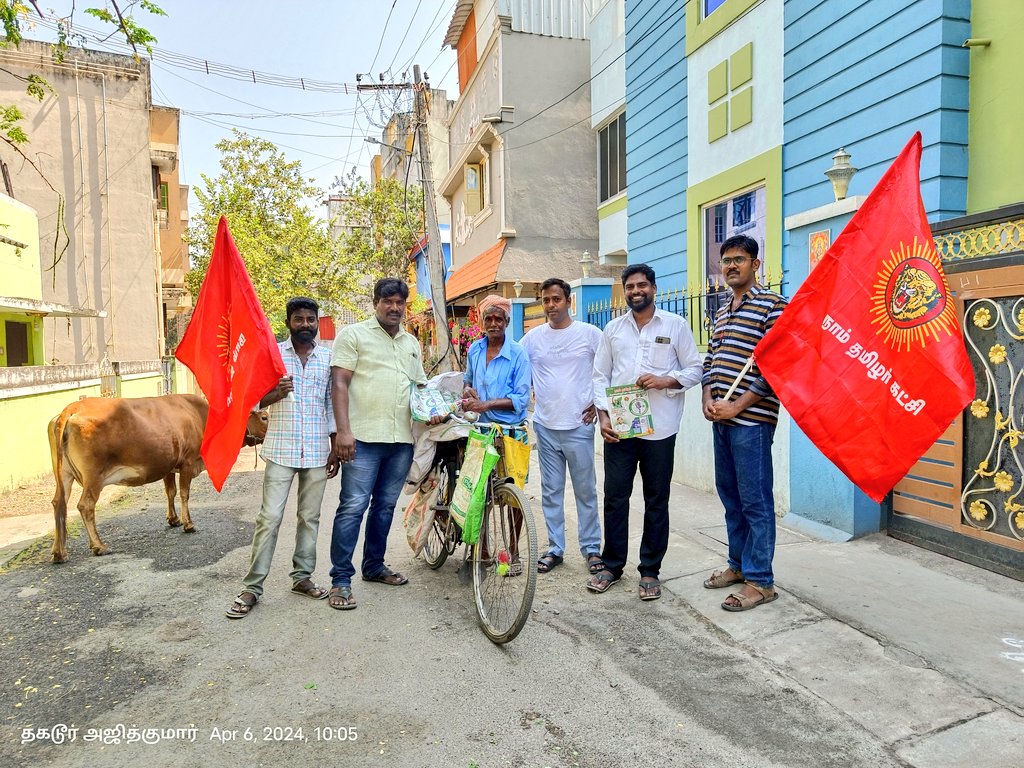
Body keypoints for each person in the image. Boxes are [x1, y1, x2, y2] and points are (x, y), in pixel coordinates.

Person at [589, 264, 703, 601]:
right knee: (615, 497)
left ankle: (650, 570)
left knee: (656, 500)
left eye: (642, 285)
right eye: (630, 287)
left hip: (661, 428)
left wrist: (666, 379)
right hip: (621, 429)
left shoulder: (675, 325)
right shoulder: (612, 329)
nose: (636, 291)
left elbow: (695, 369)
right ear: (624, 291)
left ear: (653, 287)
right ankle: (611, 565)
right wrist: (604, 417)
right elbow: (600, 376)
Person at [226, 297, 339, 619]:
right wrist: (274, 394)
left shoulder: (327, 359)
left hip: (317, 449)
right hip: (280, 449)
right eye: (299, 319)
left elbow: (331, 405)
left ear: (317, 322)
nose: (305, 325)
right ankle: (252, 586)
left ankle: (301, 578)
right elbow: (249, 400)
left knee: (310, 518)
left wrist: (334, 445)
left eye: (310, 320)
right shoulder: (271, 356)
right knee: (269, 518)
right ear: (289, 321)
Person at [327, 278, 427, 611]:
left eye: (400, 302)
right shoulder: (353, 336)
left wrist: (443, 406)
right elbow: (339, 383)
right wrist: (342, 432)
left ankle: (373, 566)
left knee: (384, 508)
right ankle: (341, 579)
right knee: (353, 507)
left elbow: (420, 389)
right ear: (376, 303)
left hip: (400, 441)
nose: (394, 307)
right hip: (362, 440)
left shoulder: (411, 342)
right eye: (388, 301)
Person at [701, 235, 788, 612]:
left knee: (755, 501)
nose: (731, 266)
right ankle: (738, 565)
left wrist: (736, 407)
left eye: (739, 259)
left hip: (751, 422)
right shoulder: (721, 311)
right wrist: (708, 399)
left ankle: (761, 580)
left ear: (756, 263)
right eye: (726, 260)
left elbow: (776, 368)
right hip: (720, 421)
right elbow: (710, 363)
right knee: (731, 499)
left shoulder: (772, 306)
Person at [520, 278, 603, 575]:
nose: (551, 305)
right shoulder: (532, 339)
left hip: (579, 426)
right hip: (545, 425)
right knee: (551, 492)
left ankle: (592, 548)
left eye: (556, 299)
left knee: (585, 491)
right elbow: (517, 368)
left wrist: (599, 403)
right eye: (546, 300)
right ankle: (555, 548)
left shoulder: (590, 334)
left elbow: (606, 369)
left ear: (569, 301)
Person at [461, 294, 531, 425]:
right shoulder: (475, 349)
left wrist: (486, 405)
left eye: (498, 319)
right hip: (479, 426)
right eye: (488, 319)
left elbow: (522, 399)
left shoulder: (518, 354)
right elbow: (468, 379)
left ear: (506, 322)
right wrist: (466, 389)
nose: (493, 324)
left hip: (510, 429)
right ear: (483, 322)